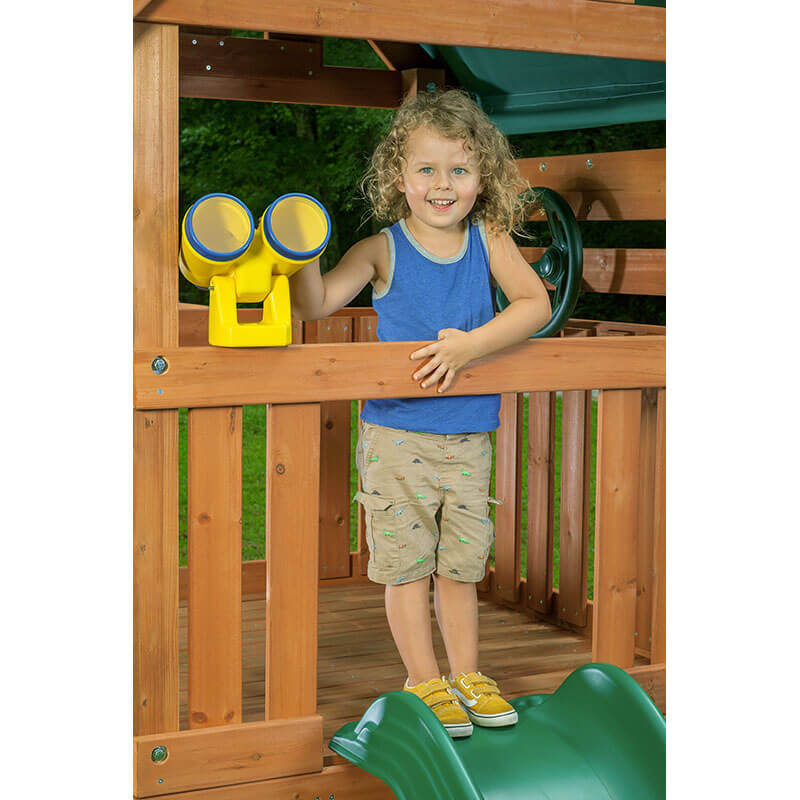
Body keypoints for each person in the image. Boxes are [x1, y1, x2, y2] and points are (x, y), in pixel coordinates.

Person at [289, 88, 551, 738]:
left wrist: (470, 347)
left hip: (469, 436)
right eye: (426, 169)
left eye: (459, 170)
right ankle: (424, 680)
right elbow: (316, 304)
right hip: (395, 437)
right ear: (399, 177)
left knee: (460, 565)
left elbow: (534, 304)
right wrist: (299, 253)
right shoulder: (381, 249)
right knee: (407, 566)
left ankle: (468, 675)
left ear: (481, 177)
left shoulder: (488, 239)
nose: (442, 184)